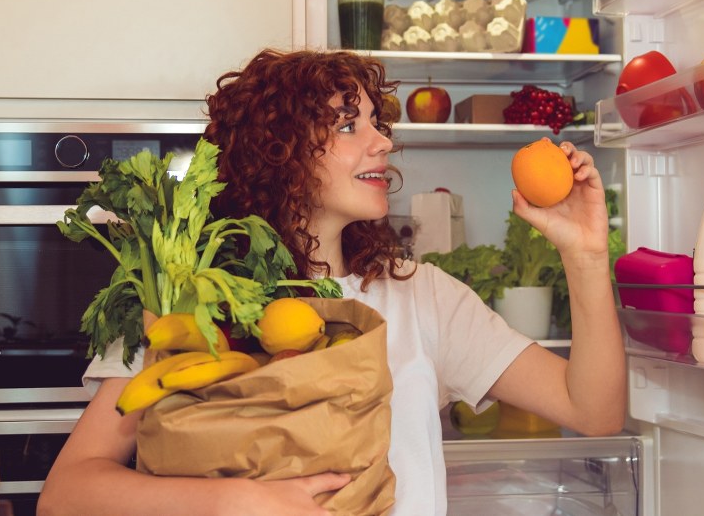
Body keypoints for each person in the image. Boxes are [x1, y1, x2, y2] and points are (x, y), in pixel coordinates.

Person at [38, 48, 626, 516]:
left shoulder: (422, 294)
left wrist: (586, 254)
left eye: (377, 122)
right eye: (348, 124)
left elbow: (593, 411)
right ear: (277, 150)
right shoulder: (184, 300)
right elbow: (68, 494)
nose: (384, 142)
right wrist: (236, 502)